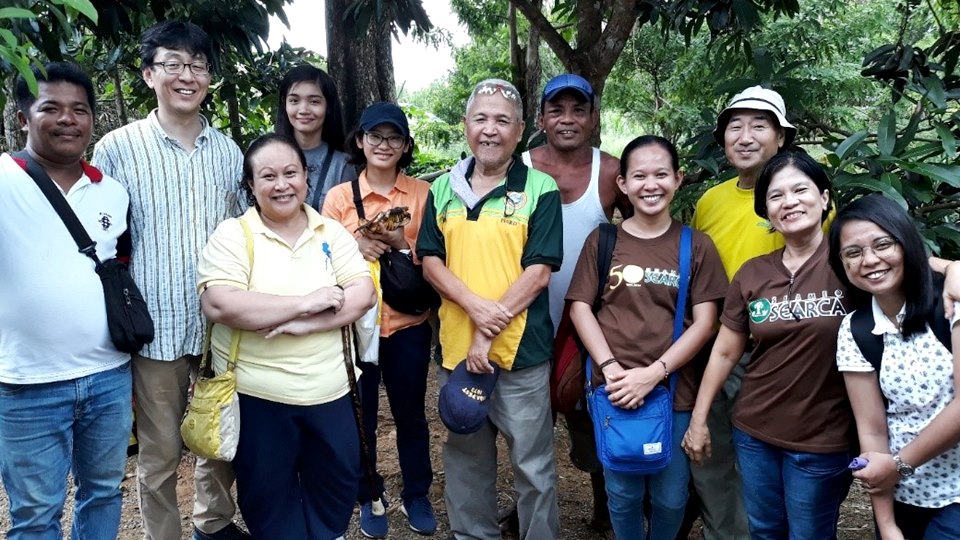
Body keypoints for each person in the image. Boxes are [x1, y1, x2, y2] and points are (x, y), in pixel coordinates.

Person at [91, 21, 247, 540]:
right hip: (152, 325)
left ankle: (214, 523)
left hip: (218, 325)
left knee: (217, 436)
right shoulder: (117, 148)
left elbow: (246, 233)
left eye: (198, 65)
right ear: (149, 73)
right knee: (157, 454)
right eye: (173, 64)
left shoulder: (228, 153)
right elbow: (98, 235)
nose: (187, 75)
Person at [198, 132, 375, 539]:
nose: (282, 185)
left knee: (335, 491)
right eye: (268, 176)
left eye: (291, 173)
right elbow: (222, 304)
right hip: (260, 400)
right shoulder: (233, 236)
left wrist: (305, 324)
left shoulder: (331, 233)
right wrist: (306, 302)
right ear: (251, 185)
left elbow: (361, 295)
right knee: (268, 500)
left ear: (306, 178)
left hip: (331, 393)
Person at [416, 78, 563, 539]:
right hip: (458, 354)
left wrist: (487, 326)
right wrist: (476, 311)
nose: (490, 129)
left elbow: (539, 272)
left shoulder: (540, 188)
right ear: (465, 126)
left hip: (522, 355)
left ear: (520, 131)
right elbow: (430, 262)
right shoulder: (442, 188)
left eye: (502, 120)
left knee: (533, 465)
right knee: (465, 462)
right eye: (480, 118)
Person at [683, 151, 855, 538]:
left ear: (825, 197)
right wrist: (699, 420)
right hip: (755, 431)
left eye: (800, 190)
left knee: (809, 533)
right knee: (762, 531)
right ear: (766, 212)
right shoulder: (753, 273)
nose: (789, 202)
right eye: (776, 197)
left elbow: (904, 263)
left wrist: (950, 268)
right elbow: (726, 351)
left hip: (823, 438)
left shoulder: (850, 262)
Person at [567, 135, 728, 539]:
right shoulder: (604, 241)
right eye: (639, 175)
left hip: (673, 391)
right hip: (614, 390)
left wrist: (653, 373)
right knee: (621, 493)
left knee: (672, 496)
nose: (650, 185)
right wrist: (611, 368)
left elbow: (707, 322)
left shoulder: (696, 245)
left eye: (661, 174)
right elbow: (581, 307)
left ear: (678, 179)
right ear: (622, 183)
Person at [0, 61, 132, 540]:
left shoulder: (111, 192)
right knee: (36, 514)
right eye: (50, 108)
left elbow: (120, 267)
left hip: (109, 376)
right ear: (22, 118)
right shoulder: (3, 180)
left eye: (79, 109)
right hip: (26, 385)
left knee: (104, 491)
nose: (67, 119)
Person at [685, 85, 799, 540]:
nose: (745, 136)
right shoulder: (711, 201)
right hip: (714, 349)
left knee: (771, 464)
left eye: (759, 125)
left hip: (779, 355)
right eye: (735, 126)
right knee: (712, 458)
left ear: (781, 138)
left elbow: (851, 253)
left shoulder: (799, 196)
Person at [517, 73, 629, 532]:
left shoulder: (610, 170)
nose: (566, 119)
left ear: (593, 118)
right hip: (525, 315)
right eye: (556, 110)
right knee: (529, 419)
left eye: (577, 110)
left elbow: (643, 224)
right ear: (541, 118)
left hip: (590, 321)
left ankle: (608, 505)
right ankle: (533, 509)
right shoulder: (518, 166)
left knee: (593, 414)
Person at [321, 102, 436, 537]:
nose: (384, 144)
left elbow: (433, 258)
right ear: (360, 141)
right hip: (356, 326)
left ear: (406, 145)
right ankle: (368, 493)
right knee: (360, 415)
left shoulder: (422, 194)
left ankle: (417, 492)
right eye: (375, 136)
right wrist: (358, 245)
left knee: (410, 413)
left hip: (407, 324)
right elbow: (322, 256)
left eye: (393, 137)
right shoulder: (338, 198)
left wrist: (400, 244)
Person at [830, 195, 960, 540]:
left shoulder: (951, 300)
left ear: (906, 243)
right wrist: (886, 525)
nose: (870, 260)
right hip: (904, 496)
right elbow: (872, 430)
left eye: (883, 244)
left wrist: (899, 464)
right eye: (853, 253)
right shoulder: (856, 329)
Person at [276, 64, 356, 212]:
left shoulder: (342, 165)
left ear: (329, 107)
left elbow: (348, 223)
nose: (303, 110)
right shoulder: (265, 155)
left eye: (314, 101)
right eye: (294, 100)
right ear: (284, 104)